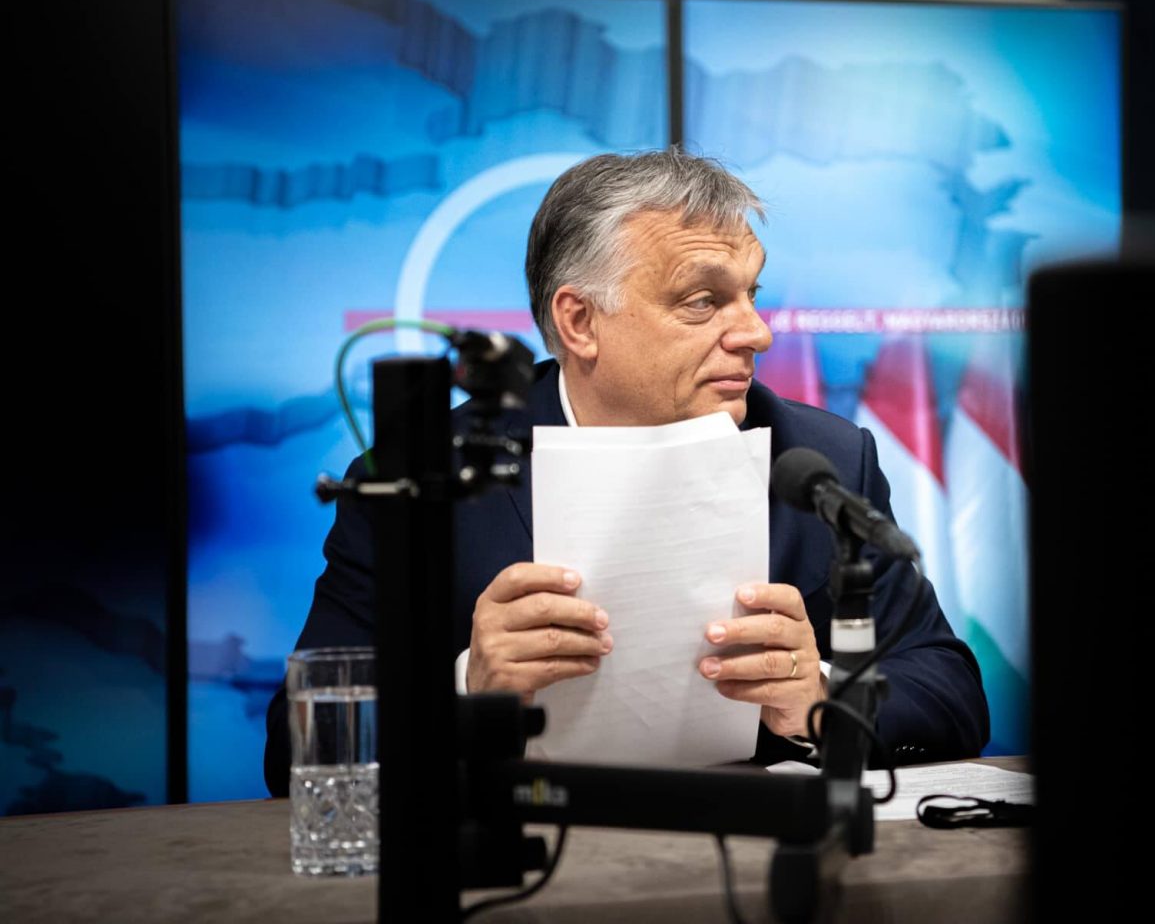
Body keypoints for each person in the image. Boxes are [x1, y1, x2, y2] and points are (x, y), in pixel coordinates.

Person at [264, 149, 988, 795]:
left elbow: (950, 689)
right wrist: (466, 687)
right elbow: (294, 745)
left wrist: (823, 698)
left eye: (752, 295)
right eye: (703, 301)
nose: (756, 333)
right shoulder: (421, 479)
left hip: (754, 844)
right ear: (579, 322)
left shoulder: (822, 459)